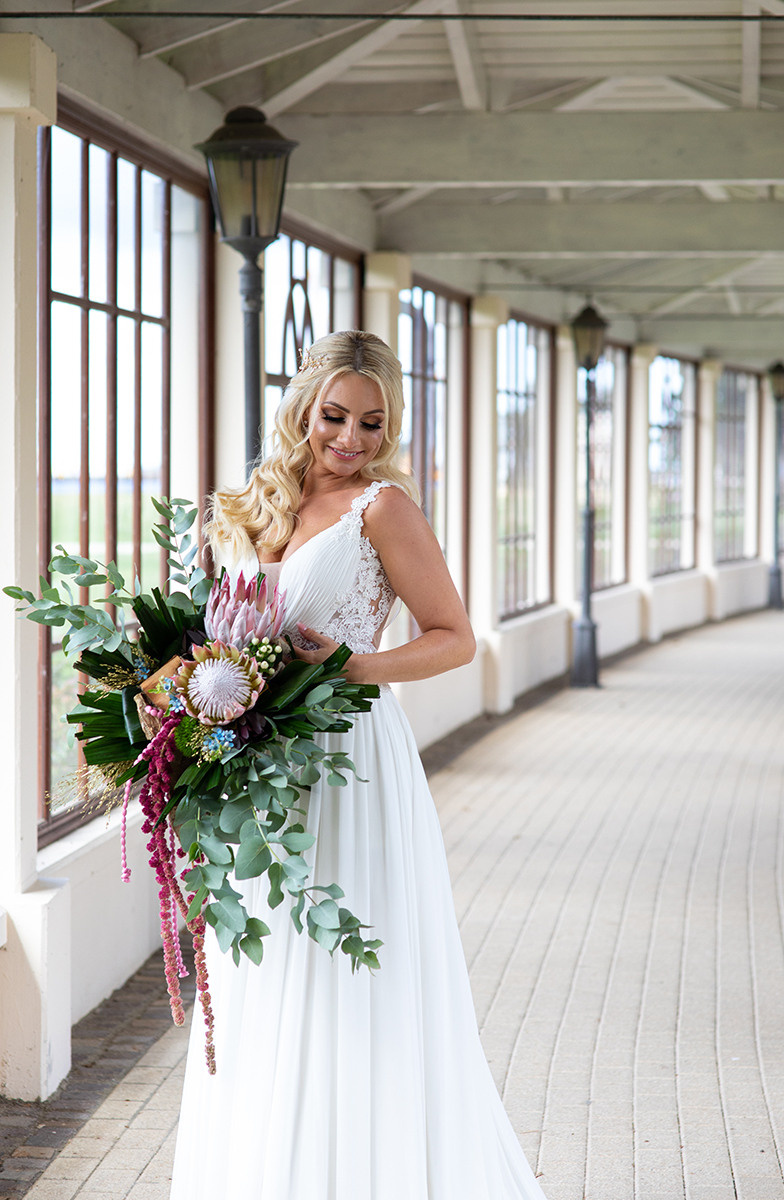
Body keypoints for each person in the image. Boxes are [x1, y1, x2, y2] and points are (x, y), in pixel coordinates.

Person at [169, 330, 548, 1200]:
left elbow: (455, 638)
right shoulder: (244, 509)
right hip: (253, 771)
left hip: (347, 763)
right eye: (336, 416)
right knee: (259, 968)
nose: (352, 439)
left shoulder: (382, 510)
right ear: (302, 407)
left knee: (341, 971)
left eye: (373, 423)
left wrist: (350, 667)